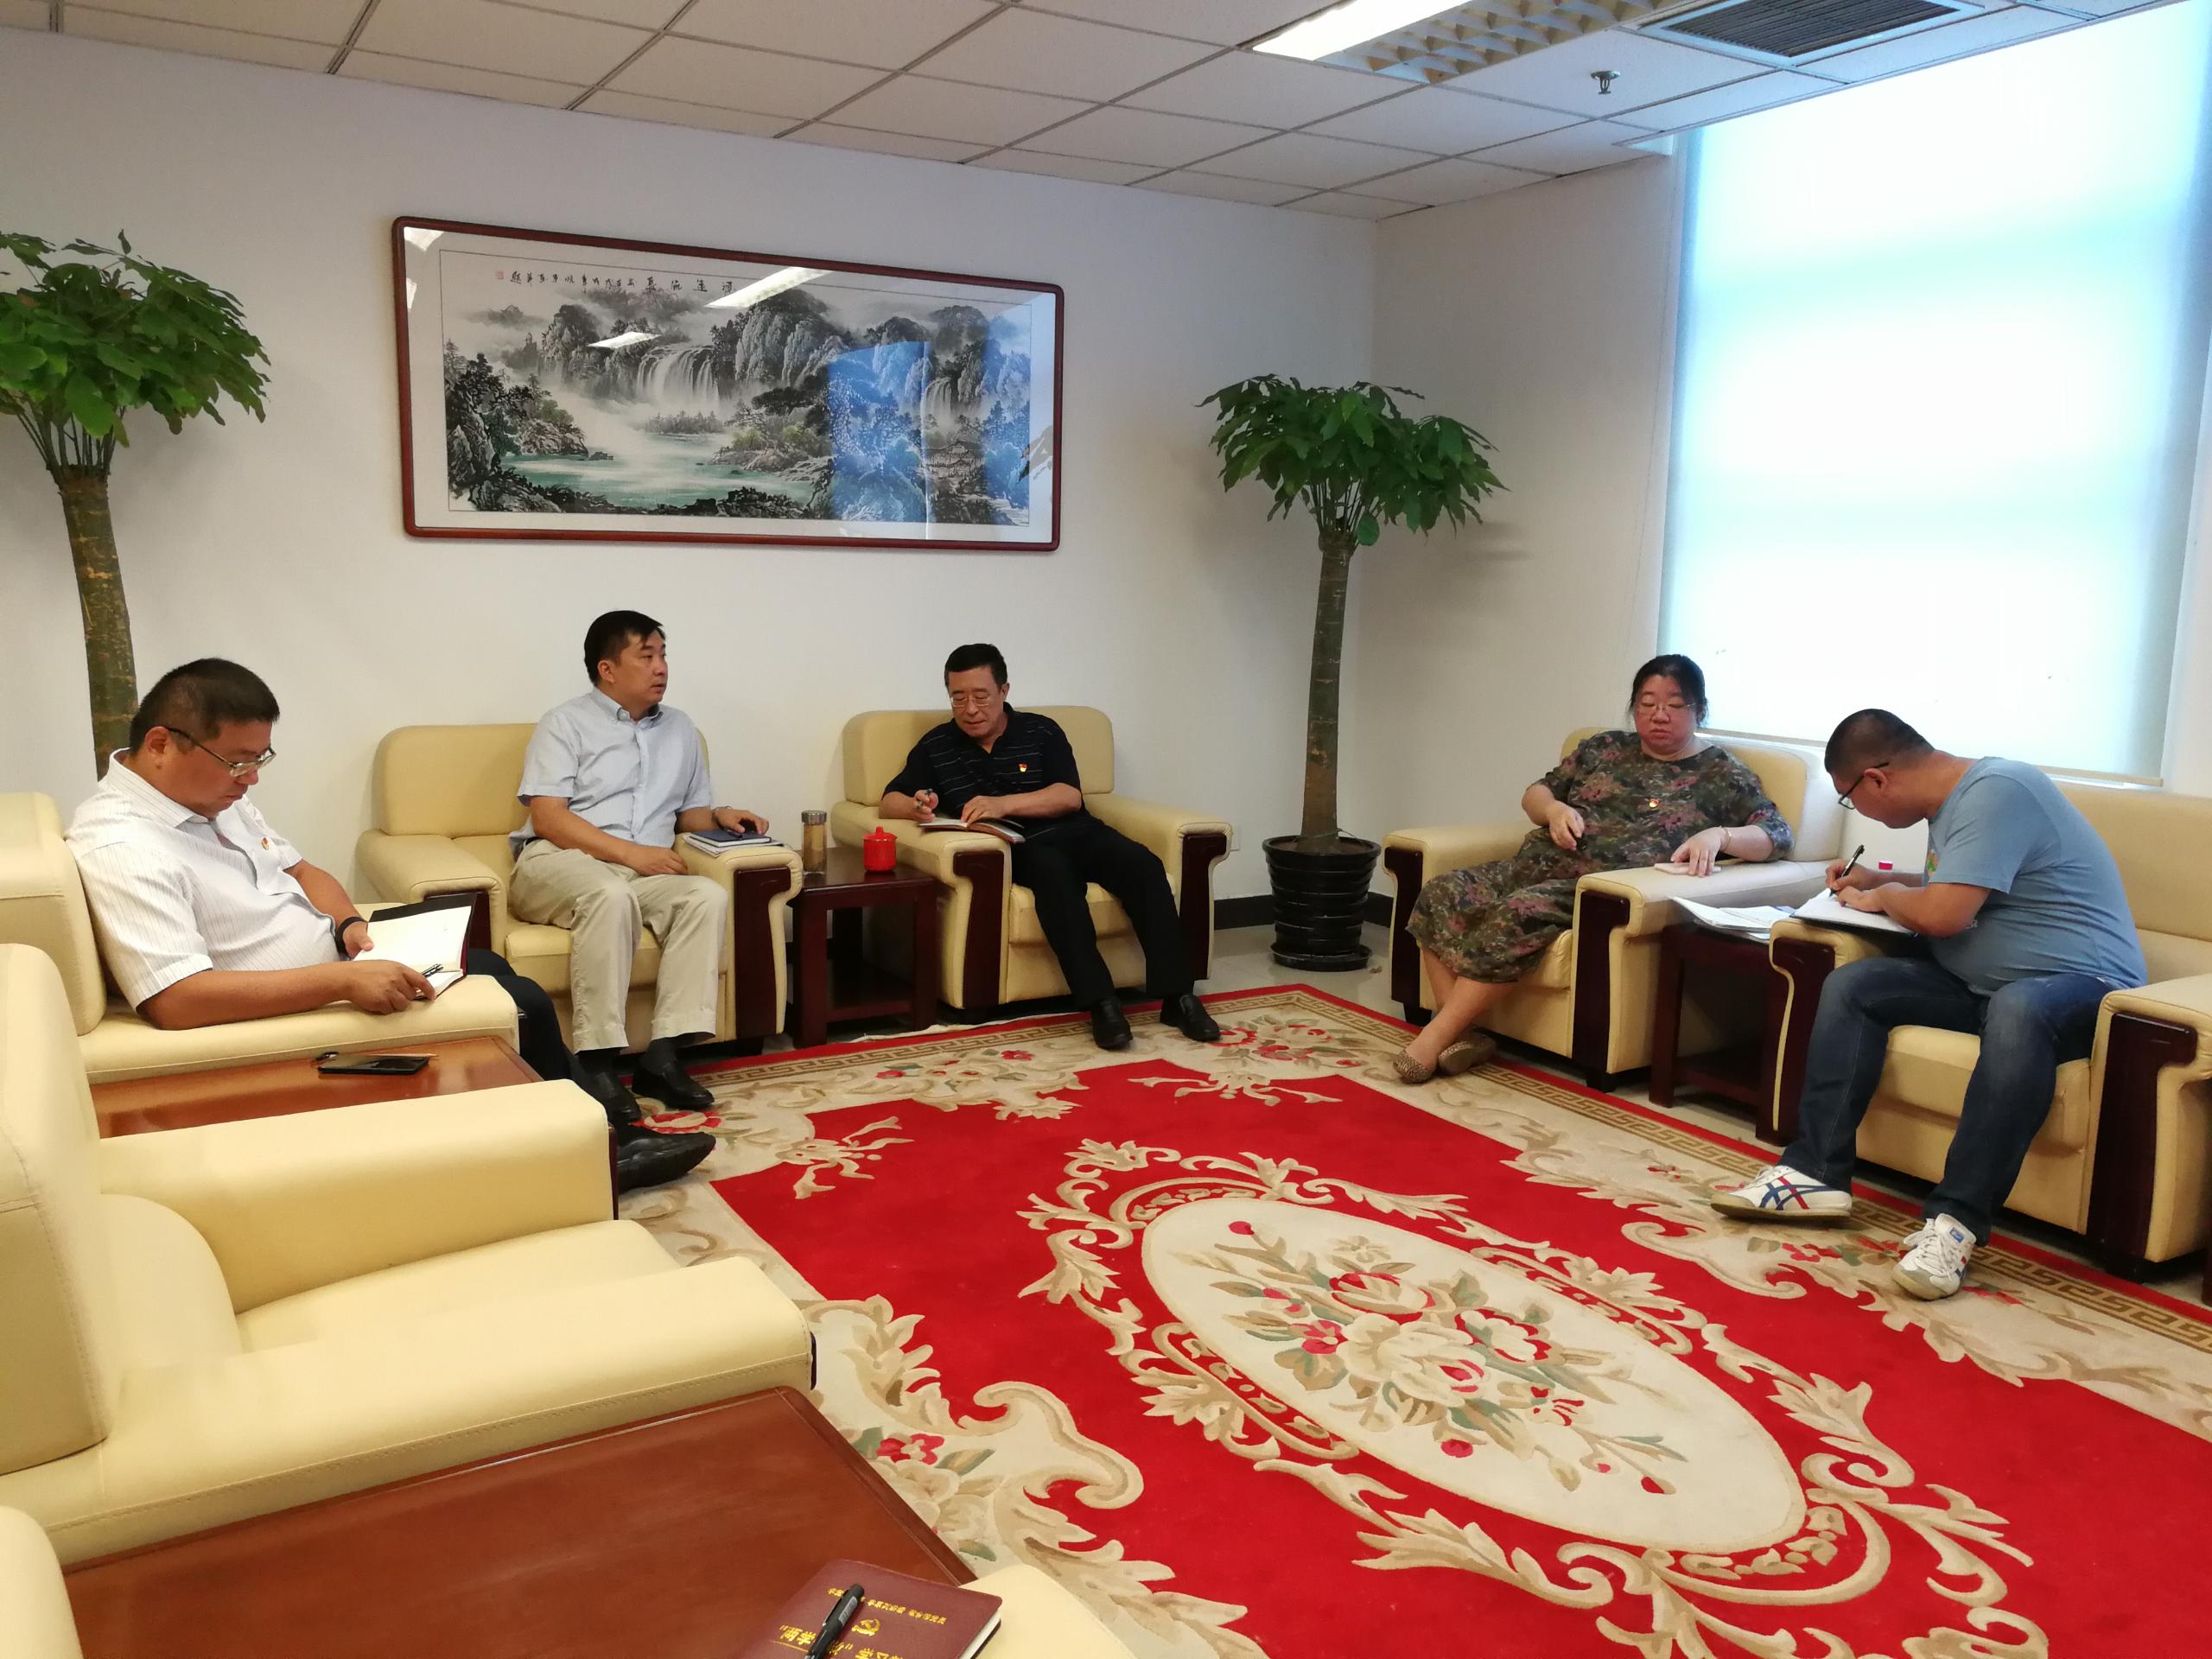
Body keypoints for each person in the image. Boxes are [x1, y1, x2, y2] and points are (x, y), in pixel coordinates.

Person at [65, 658, 714, 1193]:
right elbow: (176, 1000)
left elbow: (302, 869)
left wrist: (348, 923)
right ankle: (601, 1153)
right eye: (238, 761)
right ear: (161, 744)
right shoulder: (124, 846)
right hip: (299, 1005)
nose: (251, 778)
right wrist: (341, 982)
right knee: (520, 1003)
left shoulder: (209, 795)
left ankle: (592, 1137)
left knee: (493, 968)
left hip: (335, 959)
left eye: (260, 758)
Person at [1713, 709, 2145, 1299]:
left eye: (1850, 798)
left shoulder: (1999, 791)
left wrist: (1887, 895)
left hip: (2082, 985)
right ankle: (1815, 1172)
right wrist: (1876, 880)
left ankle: (1955, 1223)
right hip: (1981, 987)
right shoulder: (1951, 805)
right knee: (1854, 987)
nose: (1857, 811)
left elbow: (1945, 915)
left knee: (2019, 1008)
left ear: (1876, 778)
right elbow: (1956, 887)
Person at [1399, 653, 1793, 1083]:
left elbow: (1775, 834)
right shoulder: (1603, 748)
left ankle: (1432, 1040)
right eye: (1647, 703)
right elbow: (1536, 793)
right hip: (1533, 865)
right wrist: (1553, 811)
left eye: (1675, 704)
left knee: (1520, 911)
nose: (1659, 715)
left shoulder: (1721, 773)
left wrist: (1720, 836)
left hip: (1595, 889)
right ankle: (1461, 1035)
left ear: (1700, 708)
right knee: (1441, 890)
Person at [878, 644, 1222, 1052]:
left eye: (981, 697)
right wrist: (918, 807)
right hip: (1023, 847)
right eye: (958, 698)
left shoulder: (1041, 731)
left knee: (1143, 865)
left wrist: (1003, 803)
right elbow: (888, 801)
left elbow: (1069, 796)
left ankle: (1179, 997)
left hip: (1079, 832)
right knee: (1055, 877)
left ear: (1004, 690)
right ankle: (1102, 1003)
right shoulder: (937, 745)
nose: (970, 709)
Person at [512, 610, 767, 1111]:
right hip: (560, 861)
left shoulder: (681, 729)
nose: (661, 668)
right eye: (646, 656)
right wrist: (632, 854)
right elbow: (548, 818)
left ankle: (662, 1059)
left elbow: (688, 815)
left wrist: (720, 814)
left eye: (663, 655)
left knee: (705, 896)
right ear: (607, 669)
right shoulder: (564, 724)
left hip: (638, 872)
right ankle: (596, 1063)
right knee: (609, 894)